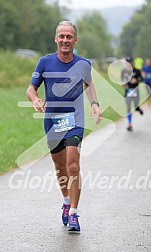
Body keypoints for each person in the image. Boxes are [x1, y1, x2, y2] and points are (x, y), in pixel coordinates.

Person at [26, 20, 101, 233]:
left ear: (75, 40)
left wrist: (94, 104)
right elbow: (31, 89)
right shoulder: (45, 62)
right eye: (62, 36)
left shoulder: (83, 63)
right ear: (56, 39)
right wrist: (35, 100)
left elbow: (88, 83)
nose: (65, 40)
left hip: (75, 121)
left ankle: (74, 213)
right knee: (60, 167)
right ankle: (66, 201)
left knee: (73, 165)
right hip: (52, 121)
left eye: (69, 37)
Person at [121, 57, 143, 131]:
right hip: (128, 92)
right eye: (127, 62)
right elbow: (122, 82)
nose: (128, 63)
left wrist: (136, 80)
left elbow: (141, 79)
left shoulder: (136, 70)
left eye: (129, 62)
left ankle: (138, 108)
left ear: (131, 62)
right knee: (129, 108)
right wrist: (127, 81)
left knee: (136, 106)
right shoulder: (124, 71)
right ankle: (129, 123)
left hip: (136, 91)